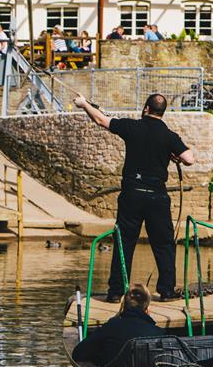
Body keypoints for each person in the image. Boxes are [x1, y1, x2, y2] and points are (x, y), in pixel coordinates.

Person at [74, 93, 197, 302]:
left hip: (132, 194)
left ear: (146, 109)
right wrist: (174, 155)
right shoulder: (169, 136)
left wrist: (83, 103)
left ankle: (116, 292)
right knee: (164, 244)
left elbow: (100, 119)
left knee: (124, 243)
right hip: (157, 196)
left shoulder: (132, 127)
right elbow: (189, 159)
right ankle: (166, 291)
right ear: (162, 112)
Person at [72, 284, 164, 367]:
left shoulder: (110, 327)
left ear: (123, 305)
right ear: (147, 309)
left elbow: (78, 353)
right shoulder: (158, 332)